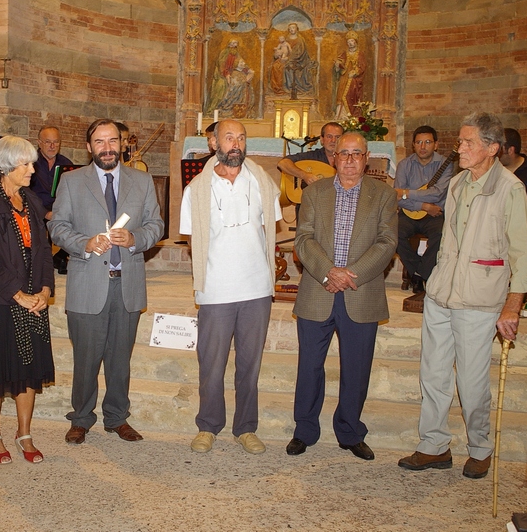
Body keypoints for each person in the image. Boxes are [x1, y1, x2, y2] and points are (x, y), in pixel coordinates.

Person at [399, 113, 527, 479]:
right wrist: (432, 283)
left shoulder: (510, 189)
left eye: (467, 142)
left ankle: (480, 447)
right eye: (459, 141)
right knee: (432, 374)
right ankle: (434, 445)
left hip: (479, 296)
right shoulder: (458, 183)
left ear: (491, 149)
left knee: (472, 382)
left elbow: (524, 253)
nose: (459, 148)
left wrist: (513, 305)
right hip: (442, 292)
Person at [48, 119, 164, 445]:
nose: (108, 147)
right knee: (86, 358)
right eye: (100, 142)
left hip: (126, 284)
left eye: (113, 140)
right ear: (89, 147)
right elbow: (57, 227)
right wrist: (83, 243)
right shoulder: (71, 181)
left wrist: (134, 238)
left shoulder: (141, 181)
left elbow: (156, 225)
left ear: (122, 144)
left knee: (119, 359)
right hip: (88, 283)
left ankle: (117, 417)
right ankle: (81, 419)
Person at [287, 131, 397, 460]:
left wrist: (351, 275)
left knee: (356, 367)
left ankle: (349, 431)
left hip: (360, 292)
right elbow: (303, 239)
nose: (349, 160)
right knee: (309, 367)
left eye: (357, 154)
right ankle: (304, 429)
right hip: (317, 290)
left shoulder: (383, 195)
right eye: (343, 153)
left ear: (367, 158)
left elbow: (387, 242)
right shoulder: (315, 192)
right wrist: (328, 272)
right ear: (333, 158)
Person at [180, 119, 282, 455]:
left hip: (256, 288)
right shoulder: (195, 189)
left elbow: (271, 229)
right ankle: (208, 426)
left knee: (249, 366)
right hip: (216, 291)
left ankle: (246, 428)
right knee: (211, 364)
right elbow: (192, 240)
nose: (235, 143)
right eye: (228, 137)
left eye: (241, 138)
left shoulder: (262, 181)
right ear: (213, 144)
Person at [0, 136, 55, 464]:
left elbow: (45, 250)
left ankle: (24, 432)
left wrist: (45, 291)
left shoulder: (32, 200)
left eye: (32, 163)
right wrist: (17, 294)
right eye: (26, 164)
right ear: (6, 167)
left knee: (28, 369)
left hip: (33, 297)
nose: (33, 170)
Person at [394, 125, 454, 294]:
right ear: (413, 145)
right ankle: (419, 272)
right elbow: (397, 198)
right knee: (393, 232)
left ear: (436, 145)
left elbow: (437, 194)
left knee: (442, 234)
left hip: (435, 214)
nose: (423, 146)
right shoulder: (405, 165)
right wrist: (423, 206)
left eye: (427, 142)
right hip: (409, 212)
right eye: (419, 142)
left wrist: (407, 193)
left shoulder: (445, 164)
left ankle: (421, 274)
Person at [277, 122, 344, 221]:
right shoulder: (312, 156)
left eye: (337, 137)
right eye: (329, 136)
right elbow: (282, 163)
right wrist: (304, 175)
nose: (333, 140)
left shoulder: (348, 161)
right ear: (322, 139)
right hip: (310, 211)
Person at [30, 125, 74, 274]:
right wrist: (44, 213)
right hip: (34, 208)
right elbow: (25, 194)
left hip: (58, 207)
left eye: (56, 142)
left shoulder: (66, 163)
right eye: (48, 142)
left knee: (83, 218)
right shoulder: (30, 162)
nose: (52, 146)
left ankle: (61, 256)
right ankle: (42, 261)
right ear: (39, 142)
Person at [334, 31, 366, 119]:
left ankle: (351, 115)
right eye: (348, 42)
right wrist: (338, 64)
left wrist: (355, 72)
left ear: (355, 42)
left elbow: (362, 66)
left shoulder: (360, 54)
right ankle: (340, 115)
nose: (350, 43)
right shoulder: (345, 53)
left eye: (352, 41)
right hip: (344, 77)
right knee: (340, 94)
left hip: (354, 79)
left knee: (351, 95)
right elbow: (341, 61)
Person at [284, 22, 313, 95]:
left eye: (293, 28)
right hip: (288, 59)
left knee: (292, 69)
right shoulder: (286, 39)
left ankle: (297, 88)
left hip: (300, 60)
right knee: (279, 67)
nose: (291, 30)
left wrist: (291, 58)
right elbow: (284, 50)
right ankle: (289, 88)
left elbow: (301, 51)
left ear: (297, 29)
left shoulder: (300, 39)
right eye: (290, 28)